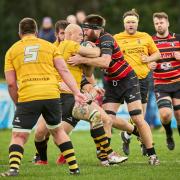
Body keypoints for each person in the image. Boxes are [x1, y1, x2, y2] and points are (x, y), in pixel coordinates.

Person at [68, 14, 160, 165]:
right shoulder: (88, 43)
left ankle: (152, 155)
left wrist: (82, 59)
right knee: (107, 119)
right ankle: (108, 155)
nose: (84, 33)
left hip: (127, 80)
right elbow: (89, 72)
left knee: (137, 117)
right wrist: (84, 63)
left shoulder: (106, 39)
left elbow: (105, 62)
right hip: (111, 83)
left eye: (86, 29)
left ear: (96, 30)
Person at [1, 17, 87, 177]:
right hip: (51, 94)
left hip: (28, 95)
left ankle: (13, 169)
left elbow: (11, 84)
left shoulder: (12, 51)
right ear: (36, 32)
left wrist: (18, 103)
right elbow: (64, 70)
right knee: (58, 131)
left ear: (20, 33)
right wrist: (77, 92)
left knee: (19, 135)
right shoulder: (49, 46)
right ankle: (74, 168)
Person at [33, 23, 128, 167]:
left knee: (94, 118)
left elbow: (88, 73)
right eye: (80, 35)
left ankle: (104, 157)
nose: (82, 37)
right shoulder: (70, 44)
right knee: (95, 117)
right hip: (66, 97)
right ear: (70, 35)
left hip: (64, 97)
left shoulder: (61, 48)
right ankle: (106, 155)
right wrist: (92, 48)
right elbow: (97, 53)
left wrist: (84, 61)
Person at [114, 9, 161, 155]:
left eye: (133, 22)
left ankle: (128, 136)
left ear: (137, 23)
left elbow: (157, 54)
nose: (130, 24)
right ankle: (143, 142)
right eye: (128, 22)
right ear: (124, 23)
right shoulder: (116, 38)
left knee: (140, 115)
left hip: (142, 79)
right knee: (118, 114)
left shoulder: (145, 37)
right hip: (123, 80)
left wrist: (149, 59)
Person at [152, 12, 180, 150]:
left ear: (167, 23)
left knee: (179, 115)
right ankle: (169, 134)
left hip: (178, 82)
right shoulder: (150, 42)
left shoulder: (178, 39)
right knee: (165, 114)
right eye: (156, 23)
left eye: (161, 22)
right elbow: (144, 60)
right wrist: (149, 65)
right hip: (161, 84)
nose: (159, 25)